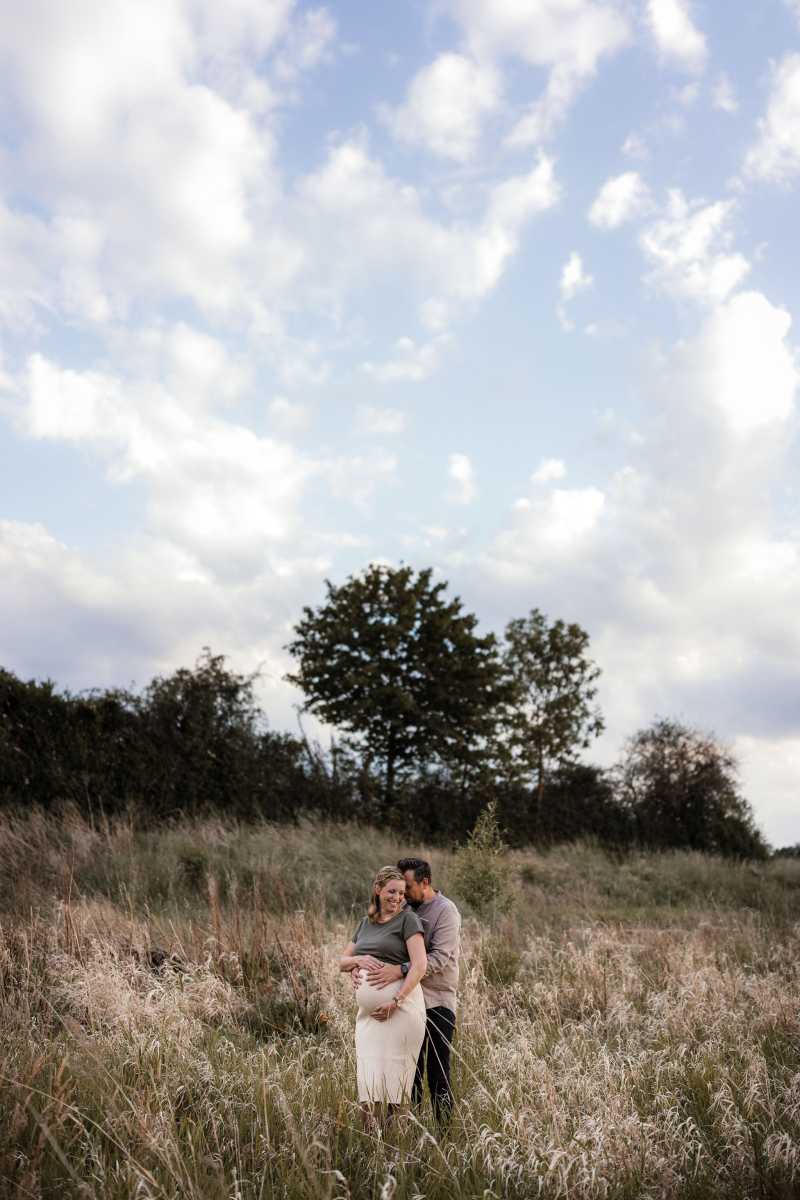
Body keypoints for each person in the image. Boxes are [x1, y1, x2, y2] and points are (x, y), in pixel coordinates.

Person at [360, 857, 461, 1125]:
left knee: (438, 1072)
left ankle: (443, 1134)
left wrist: (401, 970)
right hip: (407, 1004)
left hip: (437, 1002)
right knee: (408, 1072)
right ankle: (412, 1131)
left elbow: (438, 959)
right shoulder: (404, 908)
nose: (402, 895)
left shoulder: (446, 912)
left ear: (425, 882)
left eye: (408, 887)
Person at [339, 865, 428, 1128]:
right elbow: (342, 961)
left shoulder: (408, 920)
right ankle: (369, 1146)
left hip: (401, 1010)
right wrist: (358, 961)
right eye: (391, 891)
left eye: (401, 893)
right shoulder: (365, 924)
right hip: (368, 1019)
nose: (397, 897)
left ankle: (396, 1146)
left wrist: (396, 1001)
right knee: (369, 1082)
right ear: (377, 890)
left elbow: (420, 965)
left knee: (394, 1084)